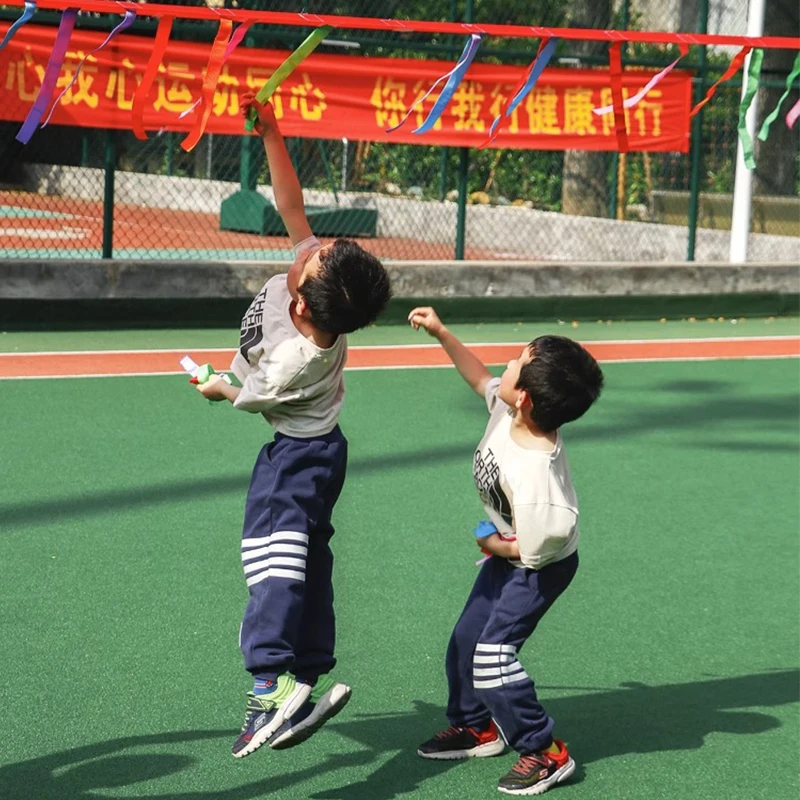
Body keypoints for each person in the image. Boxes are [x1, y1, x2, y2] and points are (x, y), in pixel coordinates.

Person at [195, 94, 392, 759]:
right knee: (308, 555)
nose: (308, 245)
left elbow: (240, 393)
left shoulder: (291, 358)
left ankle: (268, 687)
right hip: (321, 449)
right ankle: (306, 674)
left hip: (297, 456)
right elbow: (290, 205)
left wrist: (213, 386)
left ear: (302, 303)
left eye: (311, 257)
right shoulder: (318, 292)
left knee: (270, 554)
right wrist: (273, 133)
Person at [408, 307, 604, 796]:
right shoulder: (510, 406)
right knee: (464, 643)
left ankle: (545, 751)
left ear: (528, 398)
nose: (508, 363)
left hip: (538, 564)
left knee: (493, 657)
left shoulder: (538, 479)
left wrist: (491, 543)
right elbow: (479, 379)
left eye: (516, 362)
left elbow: (536, 552)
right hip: (512, 550)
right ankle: (477, 727)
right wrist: (442, 333)